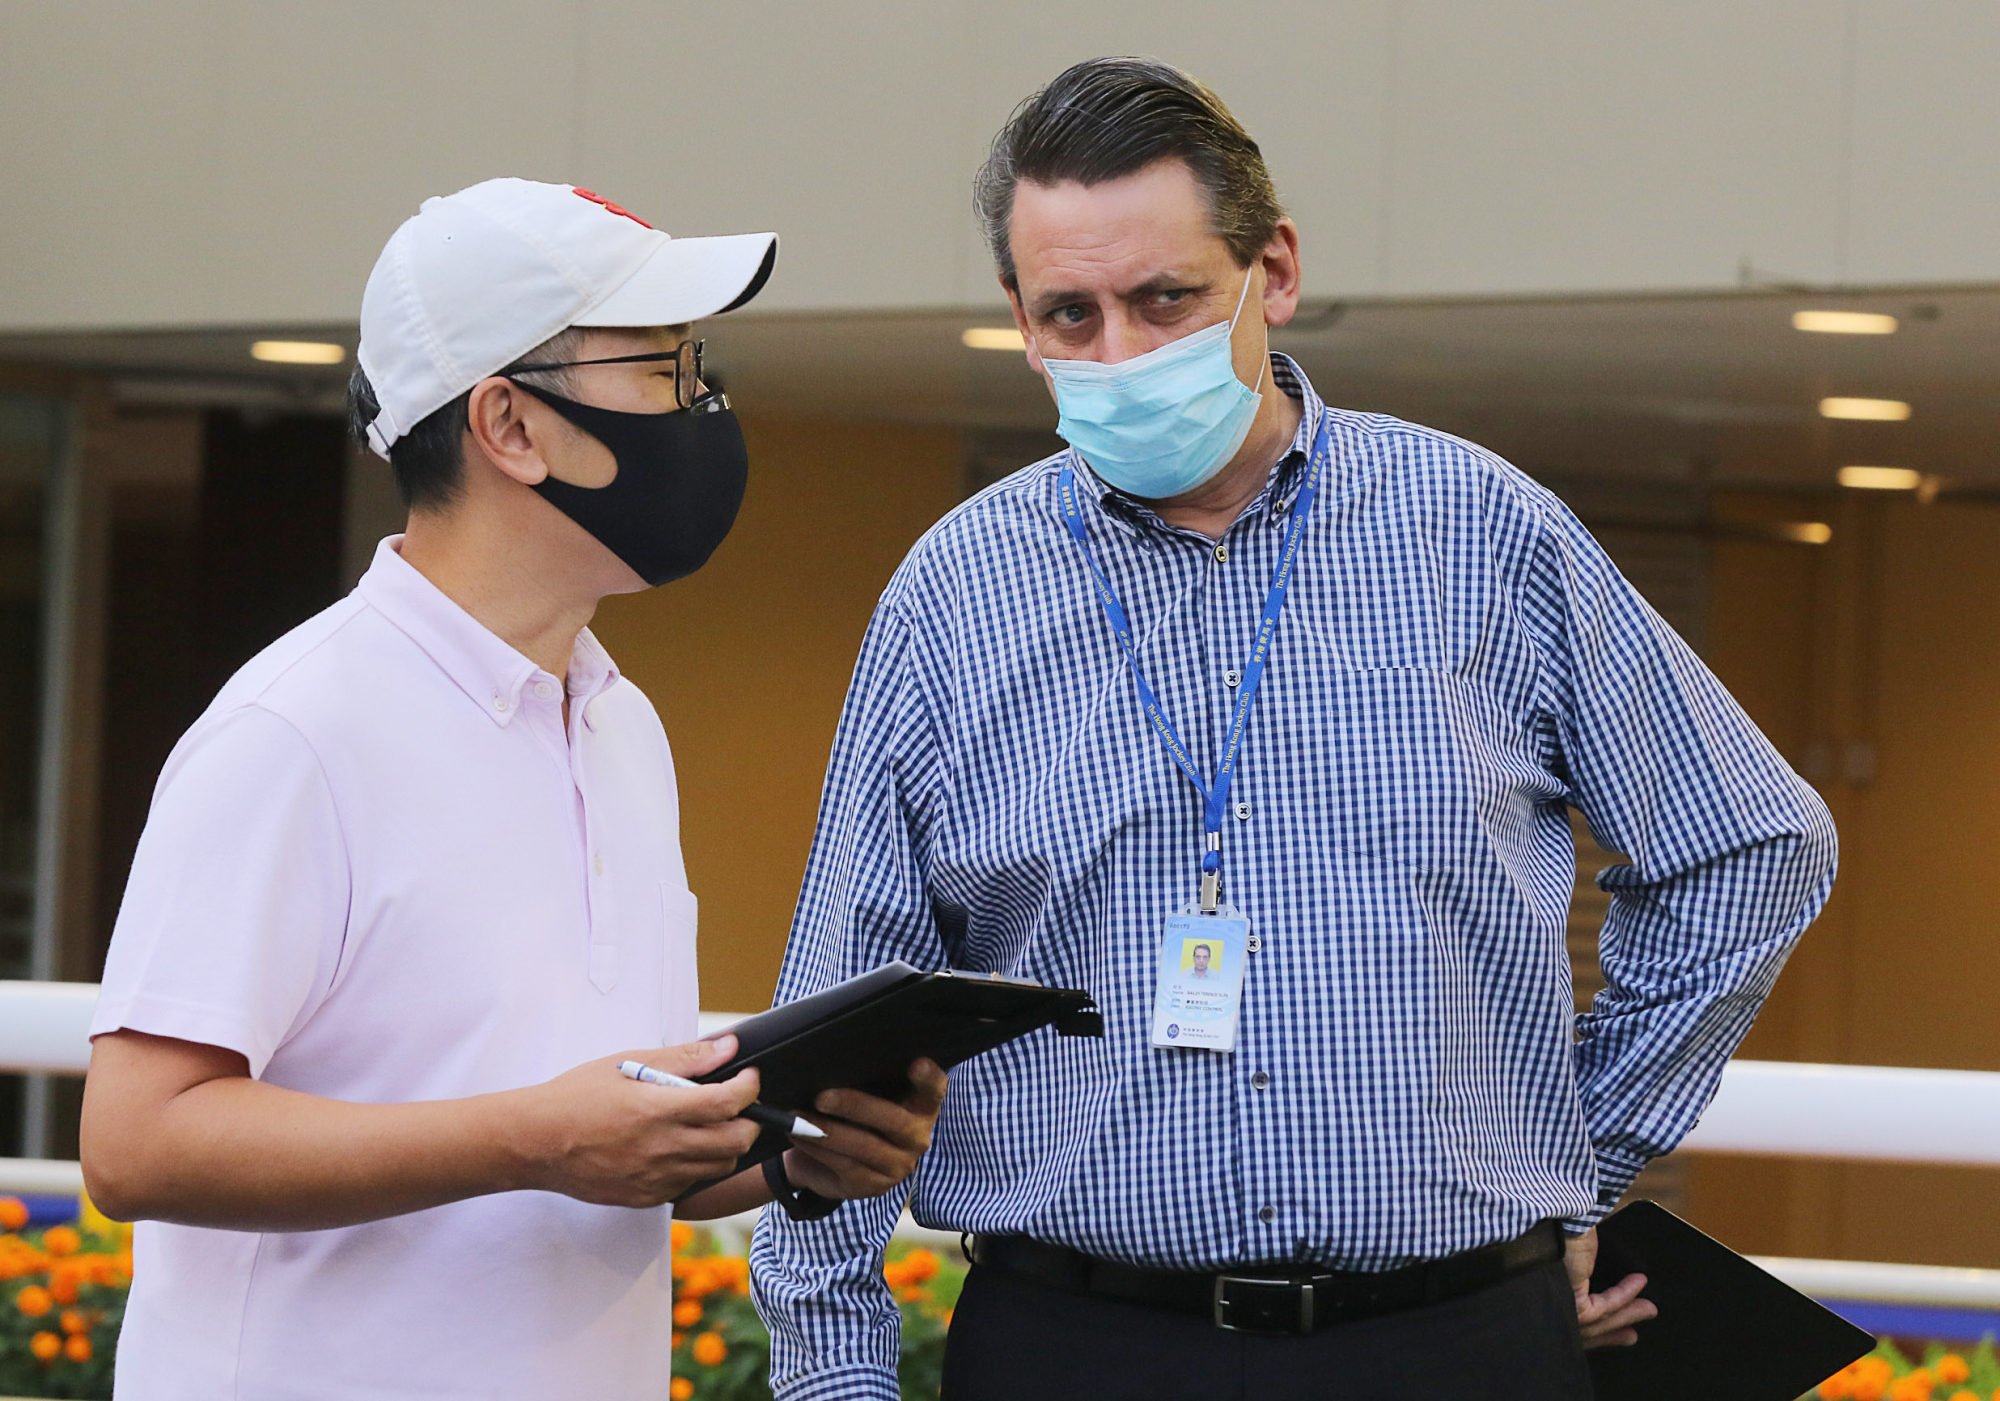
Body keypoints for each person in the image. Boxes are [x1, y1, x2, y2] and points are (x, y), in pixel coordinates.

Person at [751, 59, 1836, 1401]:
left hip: (1453, 1340)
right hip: (1076, 1344)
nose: (1121, 356)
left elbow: (1753, 843)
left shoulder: (1479, 532)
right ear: (1017, 321)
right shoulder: (956, 592)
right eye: (1070, 315)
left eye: (1167, 301)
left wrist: (1589, 1153)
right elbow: (845, 1032)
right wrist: (835, 1381)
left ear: (1274, 269)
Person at [79, 178, 945, 1401]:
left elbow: (614, 1134)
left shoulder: (619, 723)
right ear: (511, 426)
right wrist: (534, 1137)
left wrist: (800, 1148)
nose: (703, 404)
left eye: (698, 363)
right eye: (662, 367)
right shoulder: (296, 730)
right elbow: (137, 1139)